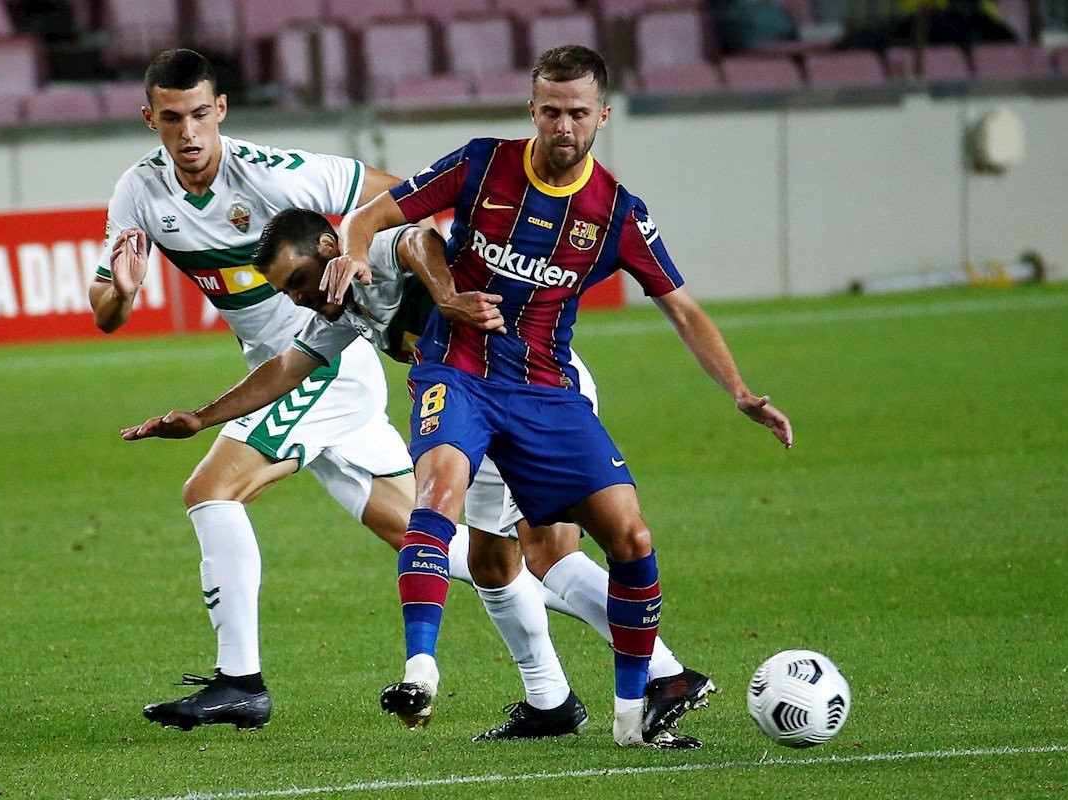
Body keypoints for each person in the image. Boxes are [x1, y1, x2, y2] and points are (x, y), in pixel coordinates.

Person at [322, 44, 793, 748]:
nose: (564, 126)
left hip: (547, 391)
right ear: (532, 110)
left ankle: (632, 711)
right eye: (551, 111)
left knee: (625, 534)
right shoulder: (481, 163)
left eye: (578, 112)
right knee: (442, 495)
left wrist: (740, 392)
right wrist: (356, 249)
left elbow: (685, 311)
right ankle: (423, 671)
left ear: (603, 115)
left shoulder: (616, 213)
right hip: (459, 374)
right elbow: (379, 214)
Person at [122, 208, 717, 744]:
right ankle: (552, 703)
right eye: (286, 292)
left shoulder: (371, 253)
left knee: (549, 558)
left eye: (300, 281)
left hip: (529, 393)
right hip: (471, 408)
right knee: (490, 562)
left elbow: (419, 238)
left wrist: (448, 296)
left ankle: (663, 675)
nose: (299, 299)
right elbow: (285, 369)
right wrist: (200, 419)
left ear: (332, 248)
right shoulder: (339, 311)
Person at [88, 48, 423, 732]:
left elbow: (406, 197)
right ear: (149, 118)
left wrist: (355, 247)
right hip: (284, 375)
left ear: (222, 111)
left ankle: (240, 681)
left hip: (323, 366)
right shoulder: (139, 192)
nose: (189, 133)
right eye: (172, 118)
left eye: (201, 115)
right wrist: (122, 293)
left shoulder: (273, 173)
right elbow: (105, 311)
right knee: (433, 541)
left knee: (209, 490)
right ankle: (654, 664)